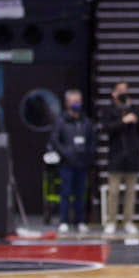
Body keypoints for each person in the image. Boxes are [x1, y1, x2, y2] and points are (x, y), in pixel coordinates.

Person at [99, 80, 139, 237]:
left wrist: (136, 144)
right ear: (114, 93)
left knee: (131, 192)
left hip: (132, 157)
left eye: (126, 90)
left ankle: (128, 221)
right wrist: (122, 121)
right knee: (113, 192)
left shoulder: (134, 109)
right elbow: (107, 128)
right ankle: (111, 221)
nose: (124, 93)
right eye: (120, 90)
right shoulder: (108, 110)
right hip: (115, 157)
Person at [48, 89, 96, 235]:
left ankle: (80, 221)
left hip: (82, 163)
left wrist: (87, 155)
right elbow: (55, 140)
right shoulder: (61, 121)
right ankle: (64, 221)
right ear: (67, 103)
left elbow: (92, 141)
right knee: (66, 193)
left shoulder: (85, 121)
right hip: (66, 163)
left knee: (80, 193)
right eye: (74, 101)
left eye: (79, 101)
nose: (77, 104)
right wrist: (66, 153)